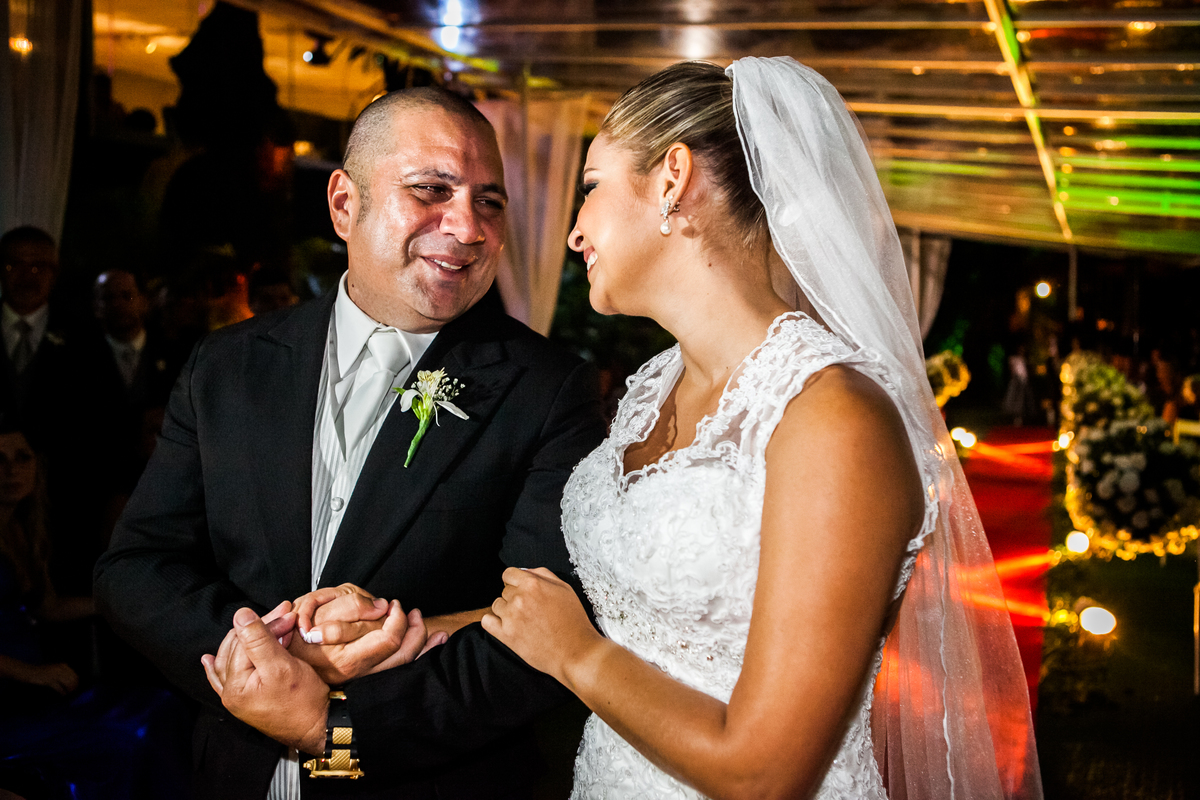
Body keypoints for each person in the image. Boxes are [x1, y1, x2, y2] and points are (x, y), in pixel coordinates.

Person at [482, 59, 1042, 799]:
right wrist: (411, 629)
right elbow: (636, 614)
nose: (574, 231)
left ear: (672, 179)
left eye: (591, 186)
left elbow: (766, 772)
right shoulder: (654, 387)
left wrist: (578, 658)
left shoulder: (832, 417)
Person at [94, 87, 606, 799]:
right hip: (230, 773)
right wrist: (259, 660)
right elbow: (136, 567)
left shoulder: (548, 390)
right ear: (343, 205)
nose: (468, 227)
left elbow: (543, 634)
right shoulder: (227, 364)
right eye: (432, 190)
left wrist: (326, 729)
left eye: (489, 201)